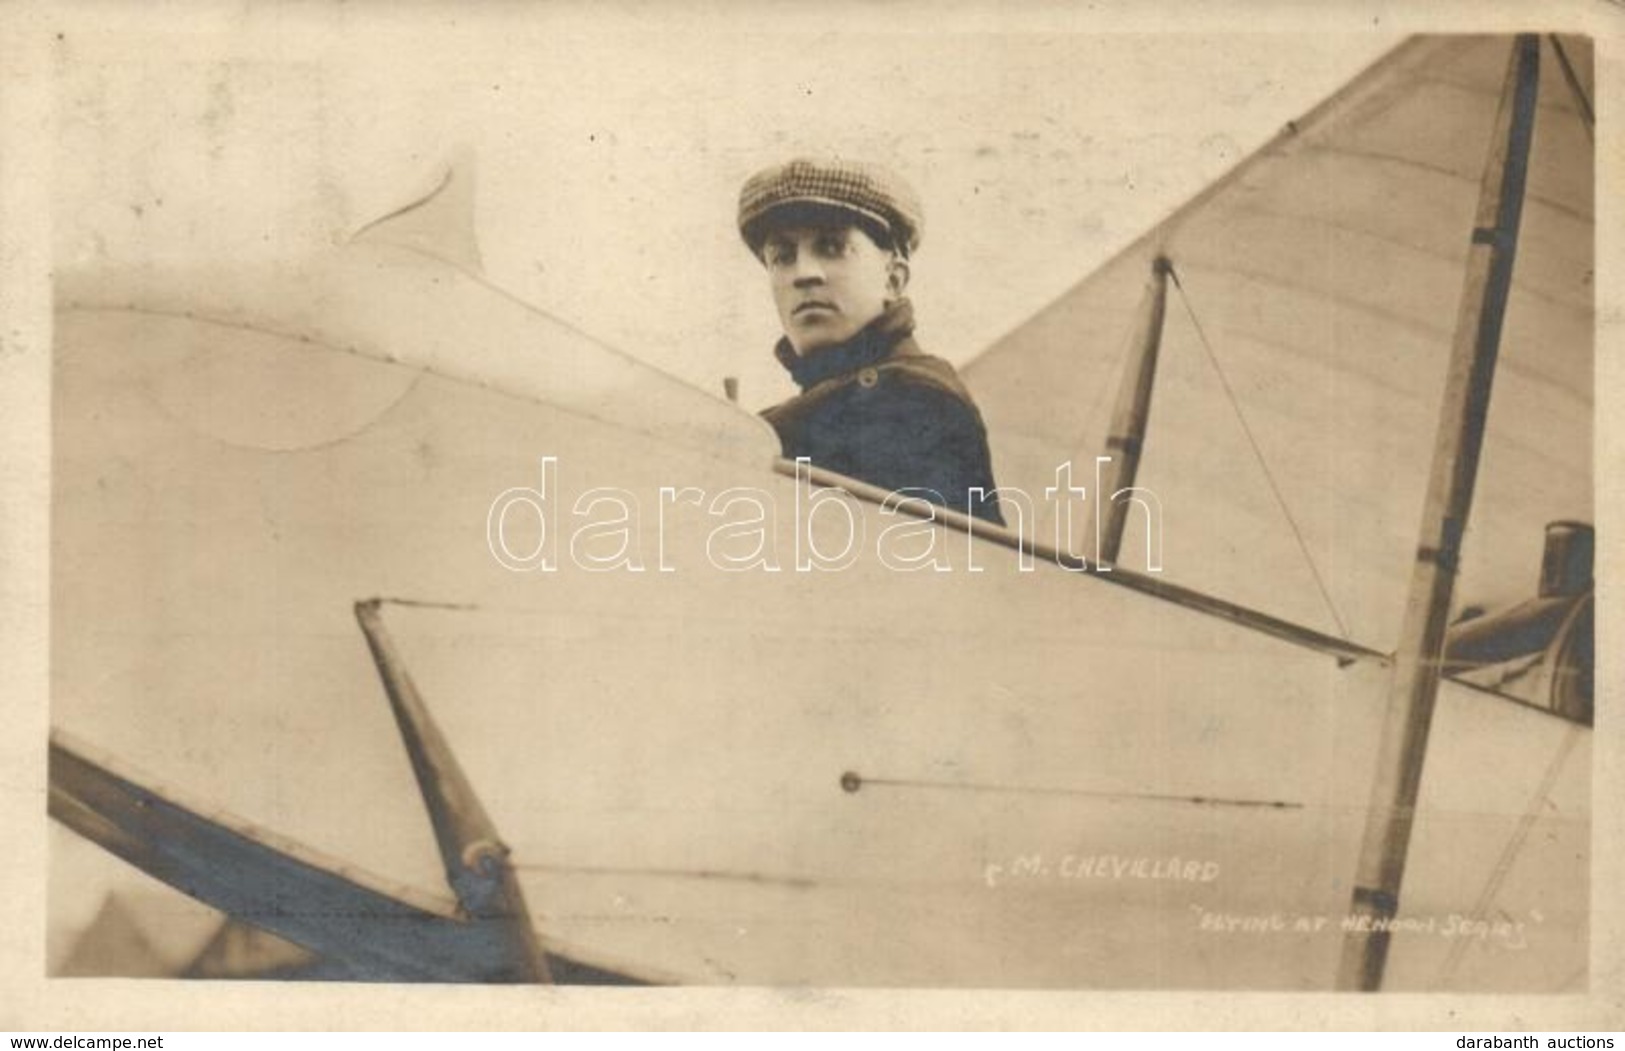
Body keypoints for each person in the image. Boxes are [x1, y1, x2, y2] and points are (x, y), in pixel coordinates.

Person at [737, 157, 1005, 525]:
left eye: (831, 247)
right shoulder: (821, 409)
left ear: (893, 279)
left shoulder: (914, 400)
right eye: (783, 257)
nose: (804, 274)